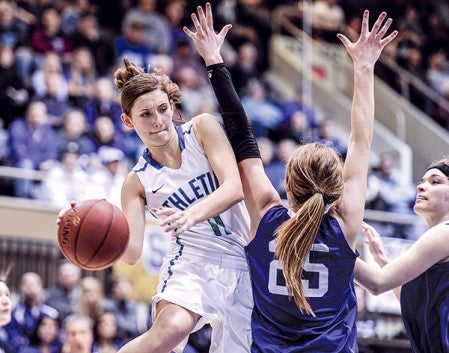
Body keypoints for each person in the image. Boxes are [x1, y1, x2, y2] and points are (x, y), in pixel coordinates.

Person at [184, 3, 397, 351]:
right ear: (336, 190)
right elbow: (361, 141)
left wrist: (213, 60)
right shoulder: (344, 226)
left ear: (288, 183)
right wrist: (363, 67)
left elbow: (240, 131)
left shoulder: (267, 215)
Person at [59, 25, 253, 353]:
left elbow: (234, 188)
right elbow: (132, 252)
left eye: (162, 109)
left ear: (172, 105)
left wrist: (190, 214)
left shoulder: (202, 128)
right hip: (191, 261)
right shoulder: (136, 181)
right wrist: (81, 230)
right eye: (145, 114)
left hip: (244, 260)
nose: (158, 121)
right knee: (170, 332)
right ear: (128, 121)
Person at [354, 159, 449, 353]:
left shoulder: (444, 233)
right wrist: (381, 258)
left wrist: (333, 247)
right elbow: (412, 298)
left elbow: (377, 283)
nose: (421, 186)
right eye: (422, 181)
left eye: (435, 182)